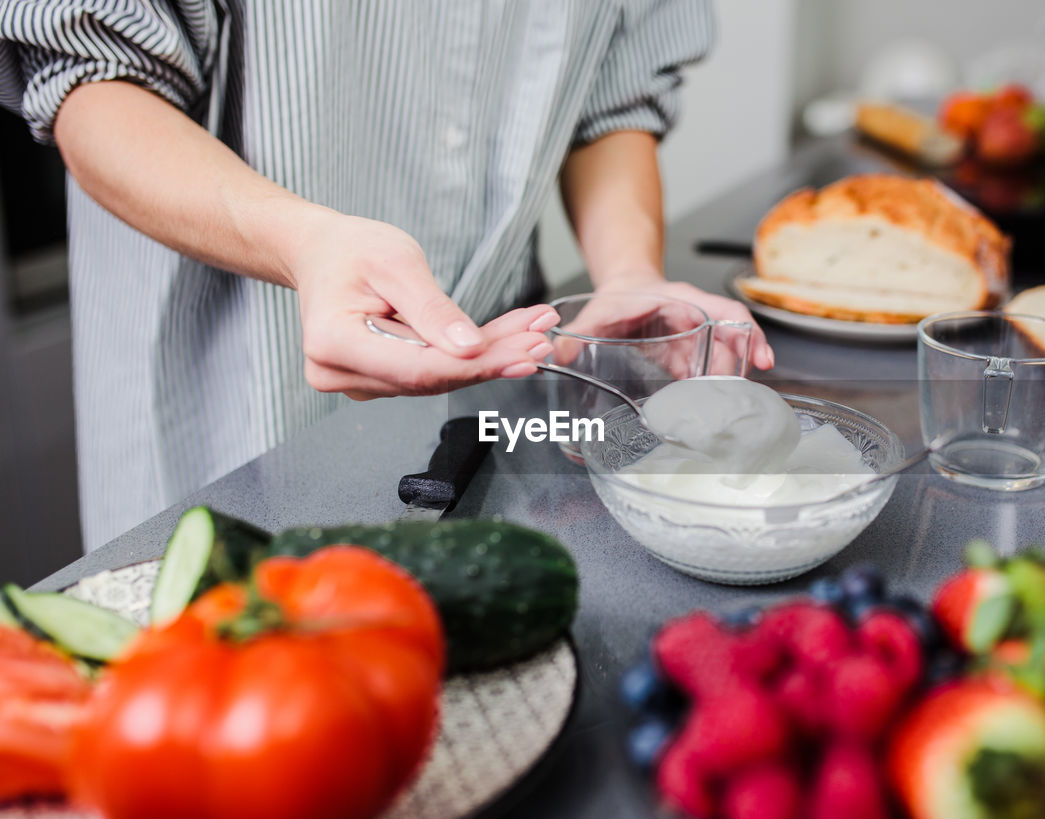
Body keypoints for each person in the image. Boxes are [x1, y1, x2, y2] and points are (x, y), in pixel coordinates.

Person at [0, 0, 773, 549]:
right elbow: (93, 84)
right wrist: (302, 244)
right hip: (225, 405)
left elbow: (610, 94)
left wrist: (628, 272)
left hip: (496, 418)